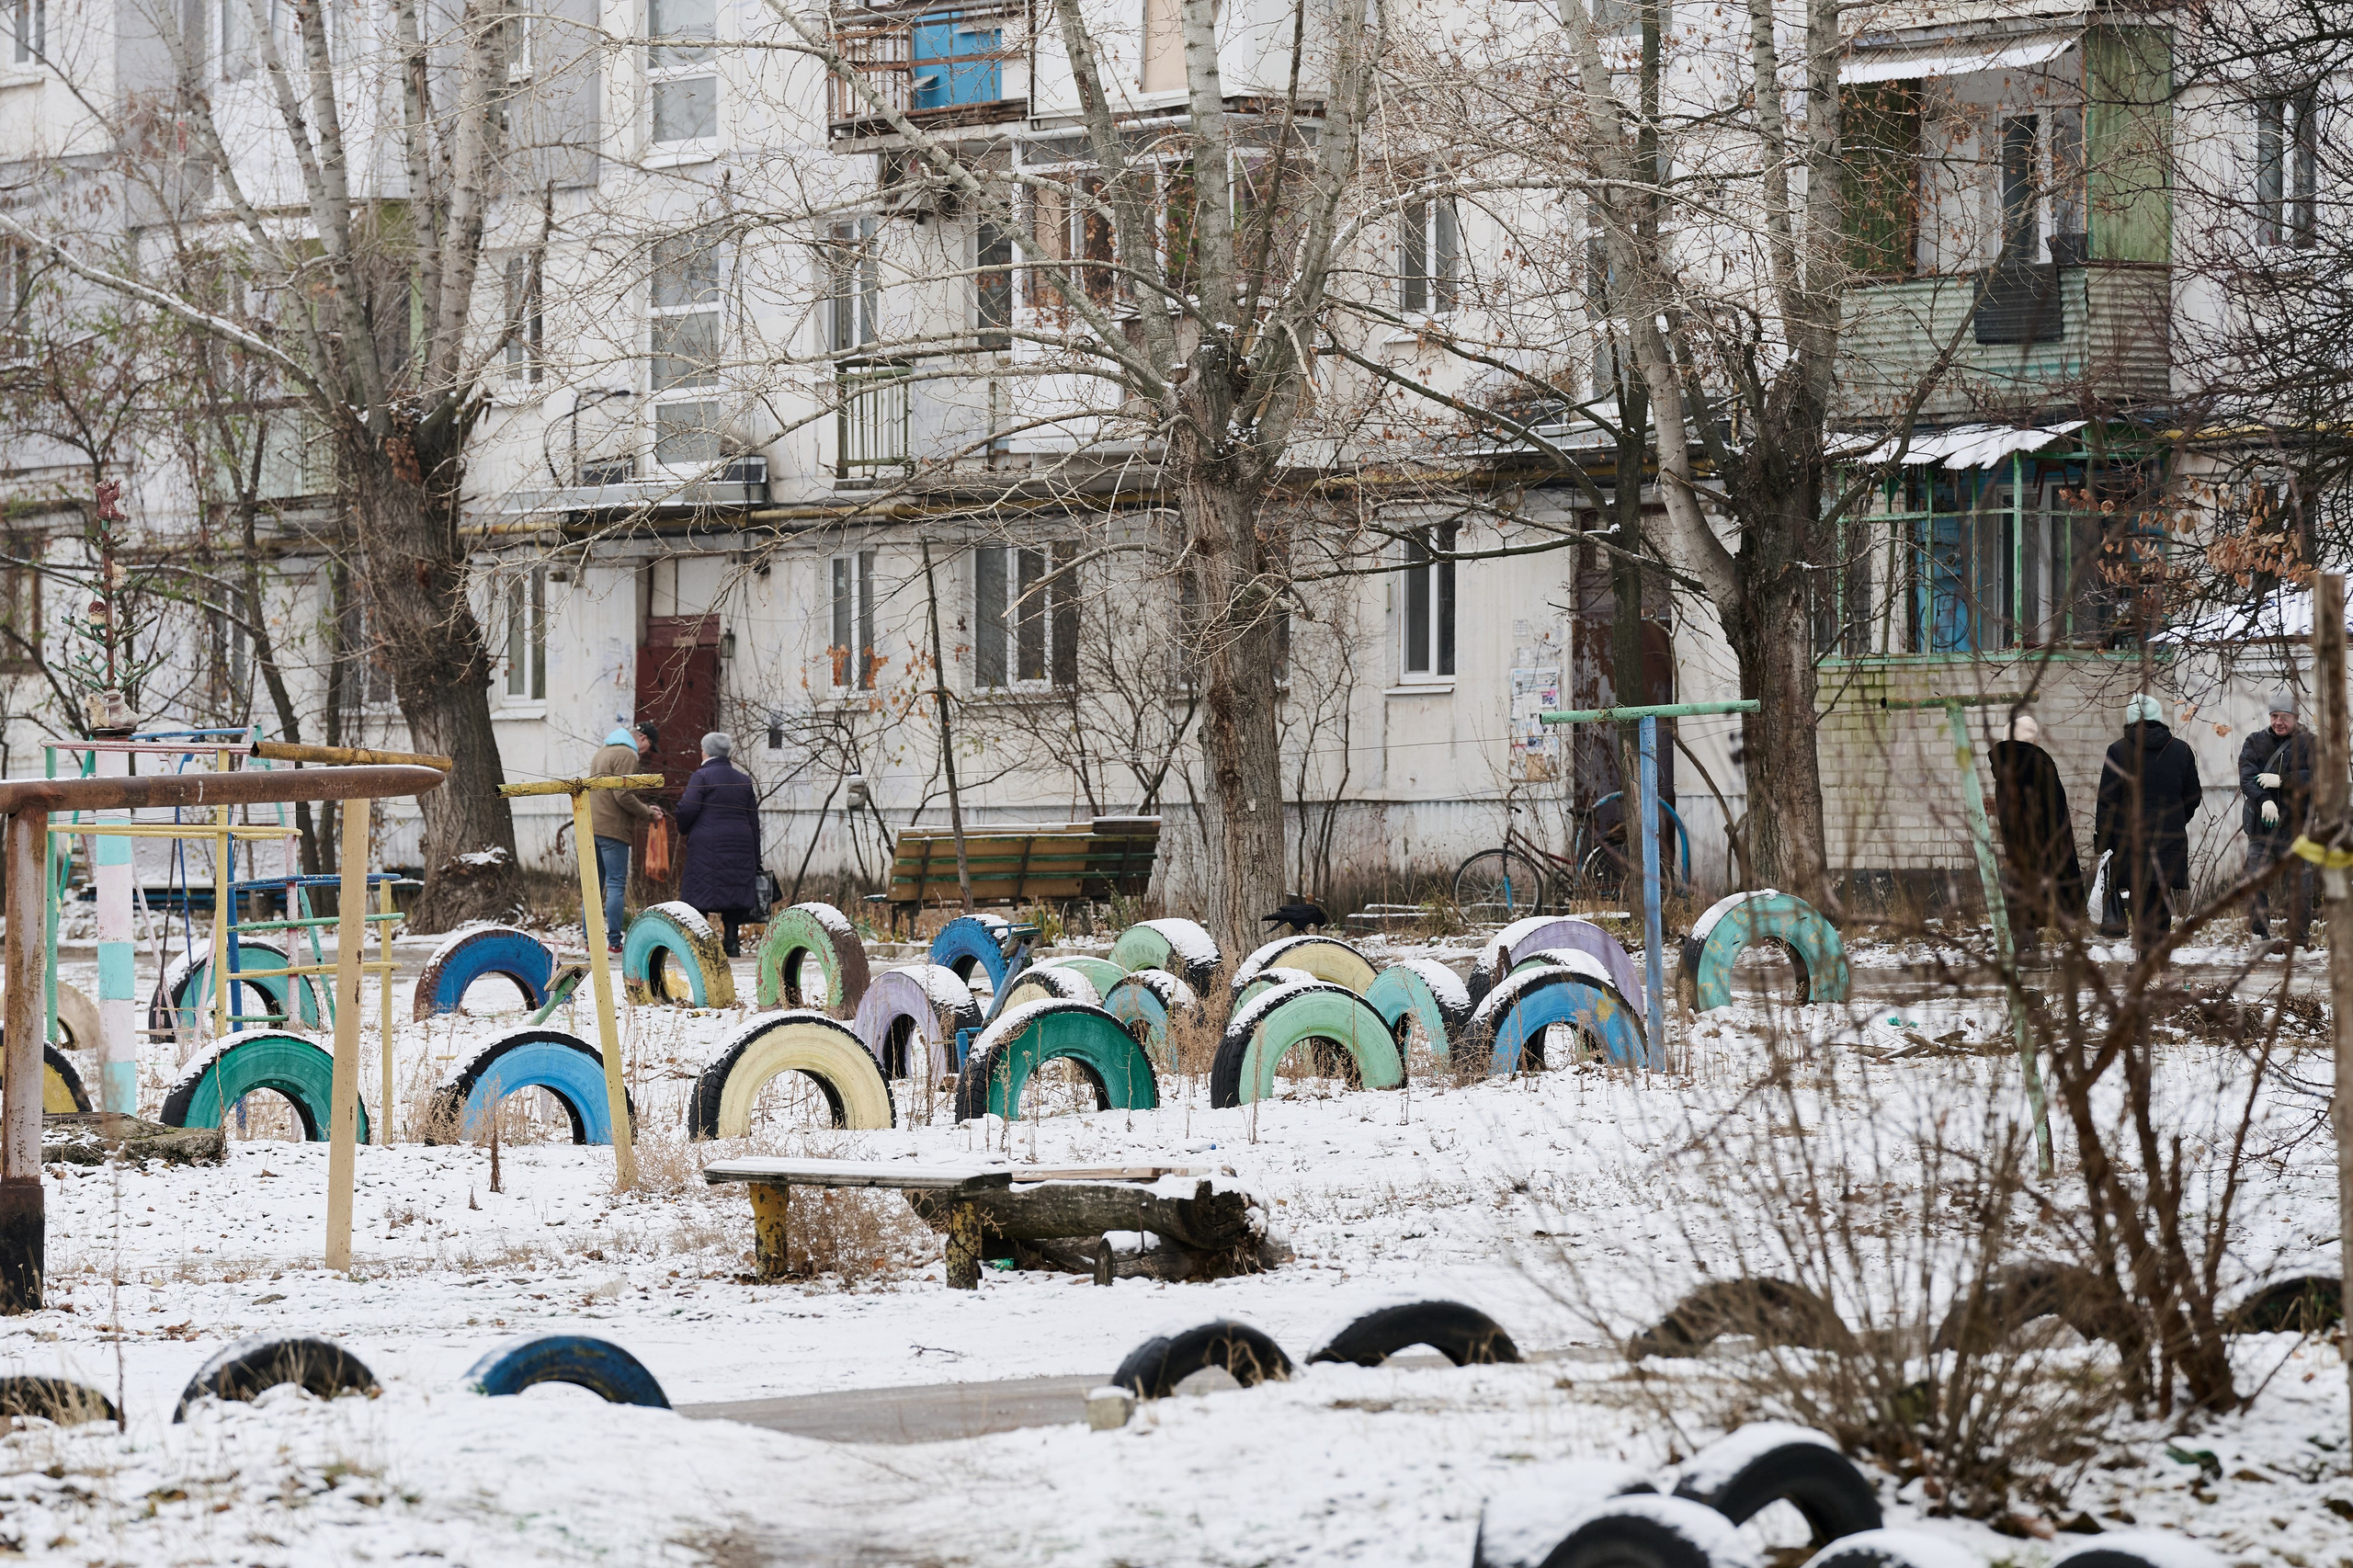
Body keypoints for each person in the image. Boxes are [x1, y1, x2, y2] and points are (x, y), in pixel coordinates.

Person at [2094, 693, 2202, 959]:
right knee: (2162, 894)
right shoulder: (2181, 750)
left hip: (2131, 840)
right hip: (2169, 837)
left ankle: (2145, 955)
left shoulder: (2118, 751)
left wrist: (2105, 840)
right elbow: (2193, 795)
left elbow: (2107, 800)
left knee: (2139, 895)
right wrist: (2177, 819)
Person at [1990, 715, 2084, 961]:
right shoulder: (2038, 763)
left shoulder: (2003, 764)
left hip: (2016, 841)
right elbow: (2052, 806)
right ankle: (2036, 947)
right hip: (2044, 840)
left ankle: (2025, 943)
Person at [2238, 687, 2314, 953]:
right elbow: (2247, 777)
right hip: (2262, 829)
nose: (2278, 722)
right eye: (2273, 716)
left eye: (2284, 716)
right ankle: (2260, 936)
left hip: (2297, 828)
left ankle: (2300, 940)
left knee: (2302, 885)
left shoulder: (2311, 744)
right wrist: (2264, 800)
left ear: (2296, 717)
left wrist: (2283, 781)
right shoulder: (2255, 742)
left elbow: (2317, 776)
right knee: (2256, 881)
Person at [676, 731, 764, 958]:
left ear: (705, 751)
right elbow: (753, 821)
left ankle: (701, 945)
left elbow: (687, 809)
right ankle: (731, 943)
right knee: (734, 893)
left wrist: (683, 825)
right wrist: (756, 857)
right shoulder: (743, 780)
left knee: (700, 894)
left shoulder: (701, 776)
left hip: (707, 847)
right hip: (741, 845)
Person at [587, 720, 663, 955]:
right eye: (649, 746)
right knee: (616, 885)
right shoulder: (628, 754)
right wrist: (648, 813)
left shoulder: (603, 751)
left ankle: (590, 942)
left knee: (592, 887)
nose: (647, 752)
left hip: (591, 826)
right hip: (614, 830)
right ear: (642, 738)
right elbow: (623, 795)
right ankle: (613, 943)